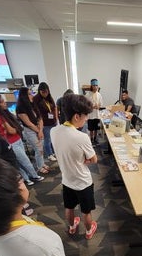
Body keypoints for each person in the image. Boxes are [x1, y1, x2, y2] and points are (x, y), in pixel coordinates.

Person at [50, 94, 98, 240]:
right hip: (83, 182)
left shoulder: (54, 131)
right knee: (86, 211)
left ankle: (71, 227)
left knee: (69, 207)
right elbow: (94, 159)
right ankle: (89, 231)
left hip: (67, 180)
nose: (87, 119)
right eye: (85, 116)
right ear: (76, 116)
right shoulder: (81, 137)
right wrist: (84, 159)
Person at [0, 93, 44, 186]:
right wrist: (16, 129)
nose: (5, 103)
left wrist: (16, 129)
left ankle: (28, 177)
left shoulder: (6, 112)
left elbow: (14, 128)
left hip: (18, 139)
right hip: (11, 143)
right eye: (2, 102)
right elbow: (11, 130)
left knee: (22, 160)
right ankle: (32, 176)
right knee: (23, 161)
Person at [16, 87, 50, 175]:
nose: (32, 95)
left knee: (41, 149)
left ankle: (42, 164)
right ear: (24, 96)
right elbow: (28, 123)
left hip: (39, 128)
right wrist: (38, 131)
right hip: (30, 131)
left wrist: (41, 130)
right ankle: (39, 167)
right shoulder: (20, 107)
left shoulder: (33, 104)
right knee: (38, 149)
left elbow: (40, 118)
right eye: (30, 94)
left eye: (32, 93)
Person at [33, 82, 57, 162]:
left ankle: (53, 152)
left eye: (46, 92)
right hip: (45, 123)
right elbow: (36, 112)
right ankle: (49, 154)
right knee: (47, 139)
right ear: (39, 91)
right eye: (43, 92)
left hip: (53, 121)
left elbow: (54, 107)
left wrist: (56, 118)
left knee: (52, 138)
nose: (45, 94)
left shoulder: (49, 97)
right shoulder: (36, 99)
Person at [85, 79, 103, 144]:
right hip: (90, 115)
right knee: (91, 129)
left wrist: (98, 106)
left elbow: (101, 104)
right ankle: (91, 139)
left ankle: (95, 138)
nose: (95, 87)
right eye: (94, 85)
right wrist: (91, 106)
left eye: (96, 85)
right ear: (91, 86)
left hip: (97, 114)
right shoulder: (88, 94)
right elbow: (85, 104)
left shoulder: (99, 95)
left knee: (96, 128)